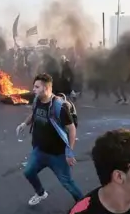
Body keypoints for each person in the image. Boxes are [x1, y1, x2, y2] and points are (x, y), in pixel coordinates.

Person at [16, 73, 83, 206]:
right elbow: (33, 113)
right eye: (34, 86)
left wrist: (69, 152)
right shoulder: (37, 100)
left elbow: (72, 129)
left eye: (36, 87)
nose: (33, 89)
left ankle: (83, 205)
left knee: (68, 183)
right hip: (39, 150)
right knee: (29, 172)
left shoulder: (59, 107)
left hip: (57, 154)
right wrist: (24, 124)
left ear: (46, 88)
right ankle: (41, 193)